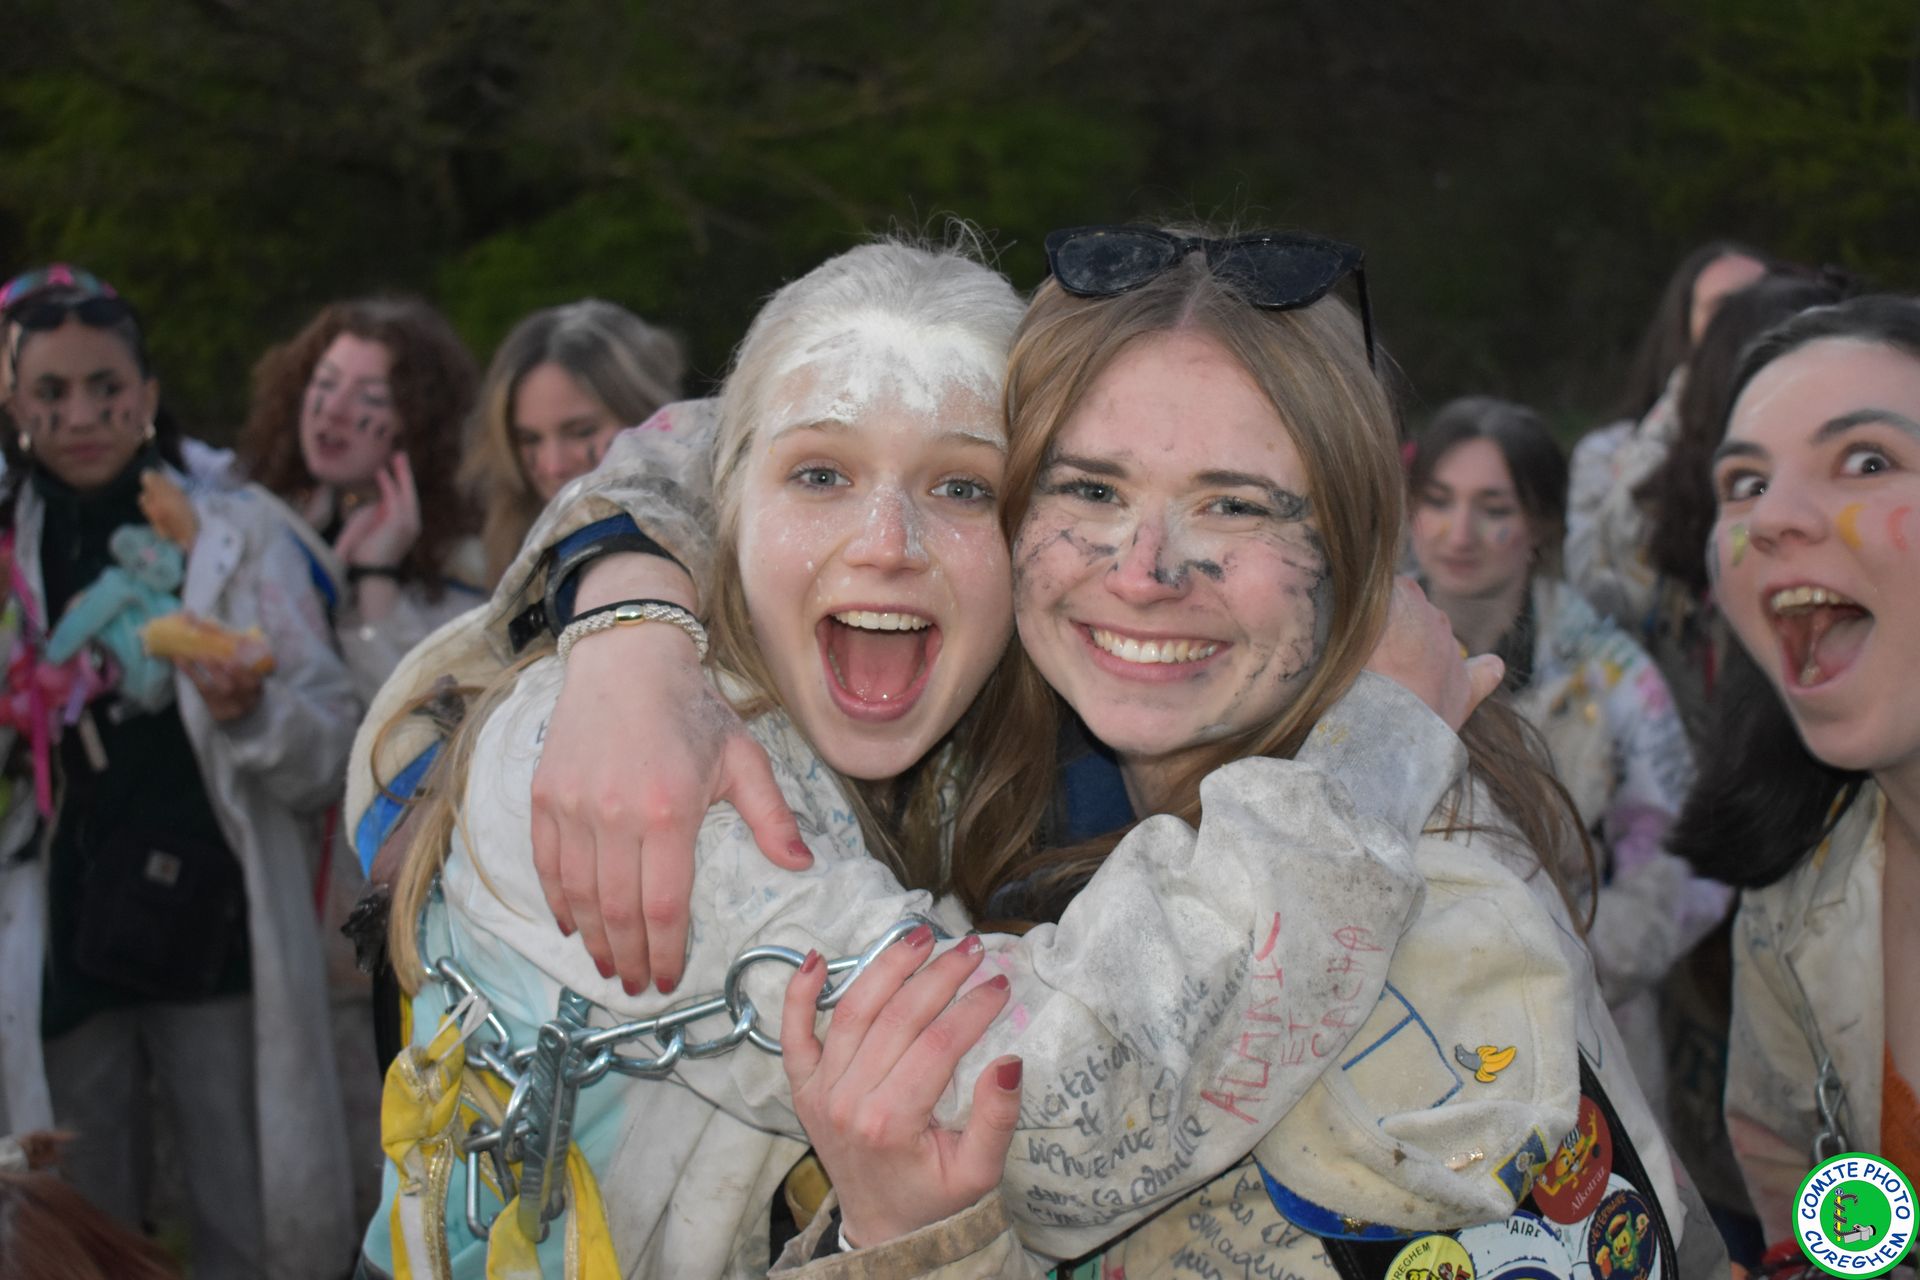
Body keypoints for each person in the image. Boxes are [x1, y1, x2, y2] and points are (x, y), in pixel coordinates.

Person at [374, 228, 1724, 1277]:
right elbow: (709, 427)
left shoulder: (1414, 890)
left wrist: (1378, 753)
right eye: (1093, 488)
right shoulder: (637, 758)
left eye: (964, 484)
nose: (1147, 567)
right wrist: (628, 598)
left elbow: (1047, 1121)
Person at [0, 281, 358, 1278]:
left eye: (106, 387)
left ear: (149, 395)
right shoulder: (11, 543)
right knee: (77, 1222)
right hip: (60, 944)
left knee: (246, 1215)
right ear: (14, 403)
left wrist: (252, 711)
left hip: (217, 936)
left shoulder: (240, 535)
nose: (81, 415)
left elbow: (331, 746)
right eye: (51, 392)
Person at [1668, 294, 1920, 1254]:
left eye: (1867, 461)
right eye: (1744, 482)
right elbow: (1814, 1225)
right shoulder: (1789, 905)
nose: (1771, 518)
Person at [1405, 395, 1729, 1125]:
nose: (1459, 533)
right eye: (1439, 500)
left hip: (1591, 1051)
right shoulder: (1352, 658)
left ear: (1542, 524)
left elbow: (1688, 859)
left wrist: (1575, 960)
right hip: (1408, 1050)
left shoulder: (1611, 675)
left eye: (1494, 508)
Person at [235, 294, 484, 702]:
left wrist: (375, 576)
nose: (334, 409)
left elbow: (422, 718)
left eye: (372, 398)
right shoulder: (259, 513)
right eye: (325, 383)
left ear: (420, 422)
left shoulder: (463, 565)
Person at [1565, 241, 1768, 636]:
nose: (1746, 322)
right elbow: (1598, 595)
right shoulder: (1608, 452)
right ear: (1683, 325)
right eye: (1723, 308)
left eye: (1762, 298)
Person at [460, 300, 685, 587]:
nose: (554, 466)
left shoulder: (714, 537)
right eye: (529, 439)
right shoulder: (488, 555)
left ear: (650, 417)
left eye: (582, 432)